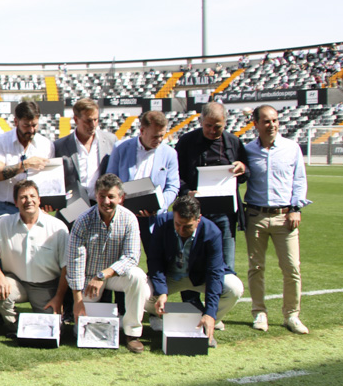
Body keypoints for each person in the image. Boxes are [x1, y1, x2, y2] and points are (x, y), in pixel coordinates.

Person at [65, 174, 151, 353]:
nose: (106, 201)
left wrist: (103, 275)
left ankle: (132, 333)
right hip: (89, 279)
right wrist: (78, 300)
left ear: (121, 197)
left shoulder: (129, 219)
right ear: (96, 196)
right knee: (79, 330)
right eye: (102, 196)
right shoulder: (83, 220)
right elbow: (74, 261)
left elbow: (132, 257)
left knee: (137, 276)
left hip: (111, 275)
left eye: (111, 196)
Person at [244, 105, 310, 334]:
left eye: (274, 120)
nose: (271, 125)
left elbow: (299, 181)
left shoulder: (292, 148)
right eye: (266, 121)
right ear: (256, 124)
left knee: (291, 267)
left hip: (285, 216)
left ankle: (291, 315)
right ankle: (259, 312)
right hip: (255, 215)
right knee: (256, 267)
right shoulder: (248, 150)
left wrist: (296, 208)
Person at [145, 195, 244, 348]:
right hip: (170, 276)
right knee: (140, 292)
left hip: (200, 277)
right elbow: (154, 260)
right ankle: (169, 320)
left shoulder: (212, 232)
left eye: (187, 226)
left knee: (234, 288)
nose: (181, 230)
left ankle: (207, 323)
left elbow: (214, 273)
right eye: (177, 224)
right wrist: (161, 291)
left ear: (198, 219)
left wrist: (211, 312)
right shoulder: (162, 222)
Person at [0, 180, 69, 331]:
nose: (28, 200)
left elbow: (66, 266)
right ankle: (15, 326)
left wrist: (59, 298)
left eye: (32, 196)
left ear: (39, 200)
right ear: (15, 202)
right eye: (23, 197)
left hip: (46, 286)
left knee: (53, 328)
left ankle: (36, 322)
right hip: (16, 281)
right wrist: (0, 278)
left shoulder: (58, 227)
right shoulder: (4, 223)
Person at [174, 101, 248, 270]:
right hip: (194, 213)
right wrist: (186, 192)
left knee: (226, 264)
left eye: (217, 126)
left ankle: (223, 295)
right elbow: (174, 176)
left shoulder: (233, 142)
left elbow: (245, 175)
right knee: (192, 262)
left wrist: (243, 169)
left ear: (225, 123)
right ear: (200, 121)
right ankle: (191, 298)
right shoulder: (187, 142)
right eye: (208, 125)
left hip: (225, 213)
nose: (212, 130)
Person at [105, 110, 180, 252]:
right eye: (155, 136)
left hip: (153, 217)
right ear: (142, 131)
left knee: (155, 259)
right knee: (118, 257)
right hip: (122, 214)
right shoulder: (121, 148)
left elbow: (173, 186)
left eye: (162, 136)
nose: (159, 140)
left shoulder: (170, 153)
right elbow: (110, 179)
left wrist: (159, 205)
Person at [0, 100, 54, 215]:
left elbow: (50, 180)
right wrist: (25, 165)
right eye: (26, 125)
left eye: (34, 125)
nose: (31, 130)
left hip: (34, 208)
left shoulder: (47, 145)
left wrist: (48, 203)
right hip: (6, 207)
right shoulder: (2, 141)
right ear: (16, 122)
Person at [53, 98, 117, 203]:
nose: (93, 125)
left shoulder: (111, 141)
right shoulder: (60, 146)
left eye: (96, 120)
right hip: (74, 206)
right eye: (88, 121)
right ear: (76, 119)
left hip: (101, 205)